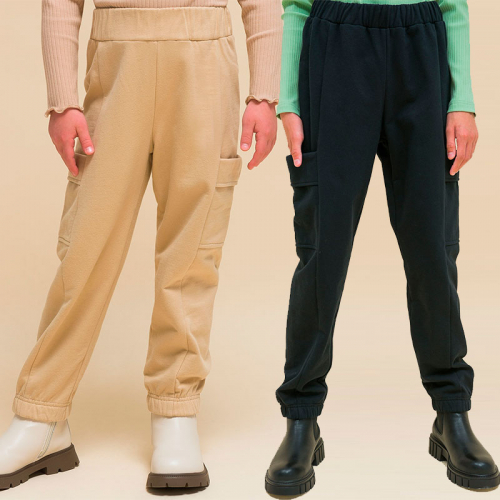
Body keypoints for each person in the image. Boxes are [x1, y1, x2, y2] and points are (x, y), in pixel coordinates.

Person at [0, 0, 282, 491]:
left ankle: (175, 409)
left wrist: (264, 94)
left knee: (192, 253)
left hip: (205, 64)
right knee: (84, 251)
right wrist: (62, 99)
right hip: (115, 62)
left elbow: (263, 3)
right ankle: (42, 414)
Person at [265, 0, 499, 496]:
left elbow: (454, 4)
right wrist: (289, 99)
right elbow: (296, 5)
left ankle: (451, 413)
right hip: (334, 46)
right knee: (322, 251)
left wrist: (462, 98)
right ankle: (301, 418)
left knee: (433, 250)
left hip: (421, 47)